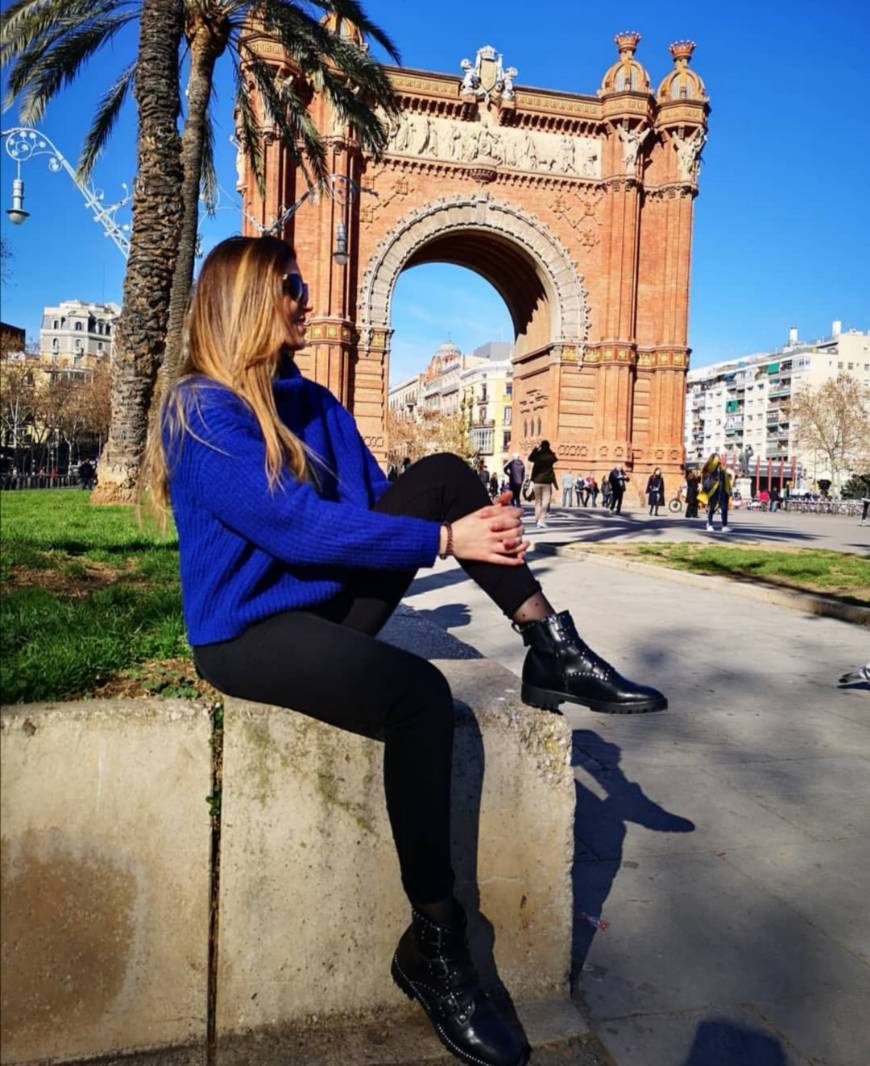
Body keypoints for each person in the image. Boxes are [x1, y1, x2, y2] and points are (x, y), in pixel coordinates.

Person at [146, 236, 667, 1066]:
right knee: (420, 697)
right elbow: (291, 524)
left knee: (449, 471)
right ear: (249, 298)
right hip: (247, 633)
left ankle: (548, 641)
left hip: (322, 605)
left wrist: (469, 520)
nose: (307, 295)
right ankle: (434, 940)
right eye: (292, 284)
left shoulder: (310, 400)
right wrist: (442, 537)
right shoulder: (203, 410)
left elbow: (366, 506)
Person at [527, 440, 559, 529]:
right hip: (547, 482)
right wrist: (551, 451)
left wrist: (536, 449)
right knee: (545, 501)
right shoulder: (550, 456)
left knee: (538, 502)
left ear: (541, 446)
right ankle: (541, 521)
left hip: (537, 481)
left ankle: (537, 520)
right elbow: (556, 458)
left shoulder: (537, 455)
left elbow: (530, 458)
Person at [699, 453, 733, 533]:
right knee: (712, 508)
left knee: (724, 509)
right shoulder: (709, 467)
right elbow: (706, 477)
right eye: (716, 458)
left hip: (722, 491)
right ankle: (709, 524)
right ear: (713, 458)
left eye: (718, 458)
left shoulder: (721, 467)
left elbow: (726, 478)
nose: (718, 459)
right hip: (713, 491)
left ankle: (724, 526)